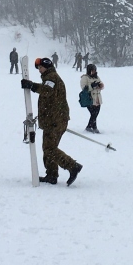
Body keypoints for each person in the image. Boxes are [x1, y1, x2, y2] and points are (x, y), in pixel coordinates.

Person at [21, 55, 81, 185]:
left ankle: (72, 166)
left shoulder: (52, 77)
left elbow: (47, 91)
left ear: (46, 67)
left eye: (40, 67)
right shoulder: (49, 77)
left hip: (56, 120)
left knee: (49, 149)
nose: (39, 70)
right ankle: (51, 175)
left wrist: (32, 86)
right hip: (52, 120)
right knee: (48, 147)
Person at [81, 63, 103, 133]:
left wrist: (100, 85)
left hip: (97, 98)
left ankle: (92, 127)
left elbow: (101, 84)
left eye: (95, 70)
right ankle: (91, 127)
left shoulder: (97, 77)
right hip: (89, 99)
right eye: (93, 70)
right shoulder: (85, 77)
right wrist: (91, 86)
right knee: (93, 114)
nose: (94, 72)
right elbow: (84, 88)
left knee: (96, 113)